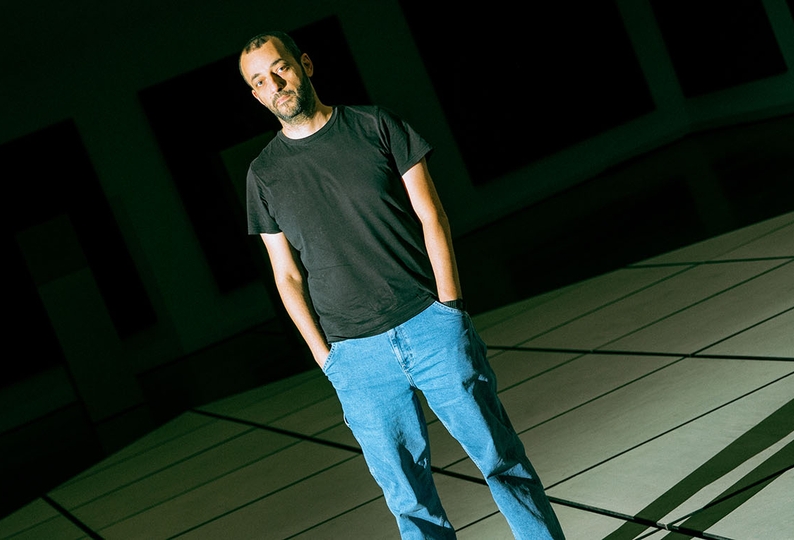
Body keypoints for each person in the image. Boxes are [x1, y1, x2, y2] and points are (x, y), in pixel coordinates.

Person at [238, 30, 565, 539]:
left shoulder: (376, 124)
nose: (274, 82)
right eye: (260, 80)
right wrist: (326, 358)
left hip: (429, 324)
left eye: (279, 67)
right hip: (354, 355)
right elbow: (285, 275)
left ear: (304, 64)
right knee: (408, 500)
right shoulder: (263, 175)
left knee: (500, 459)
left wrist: (450, 308)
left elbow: (432, 216)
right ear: (256, 95)